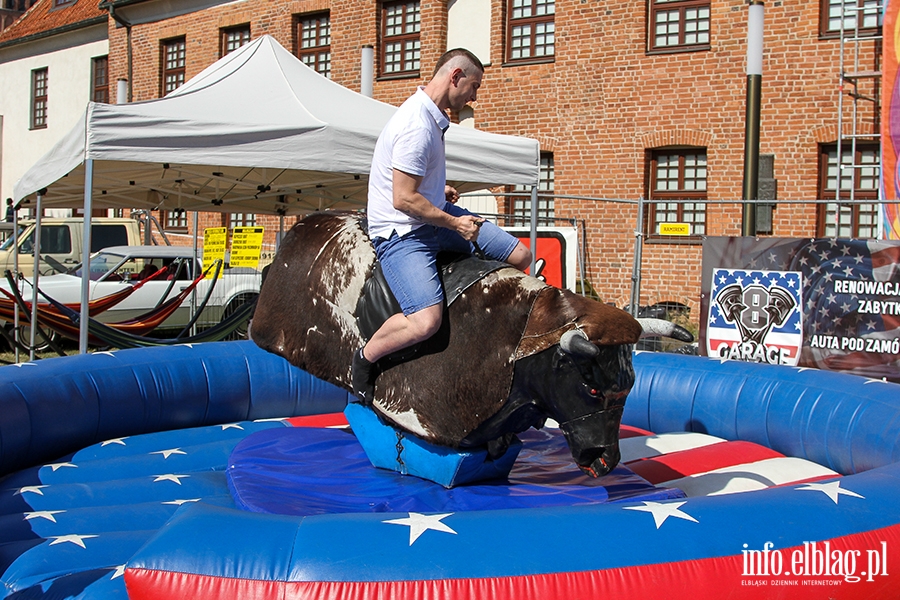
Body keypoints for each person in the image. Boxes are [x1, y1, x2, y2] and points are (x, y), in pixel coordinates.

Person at [351, 48, 532, 403]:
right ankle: (364, 360)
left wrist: (439, 190)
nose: (475, 97)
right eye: (474, 86)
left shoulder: (433, 119)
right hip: (403, 234)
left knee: (521, 255)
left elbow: (415, 186)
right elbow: (402, 199)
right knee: (425, 322)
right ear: (455, 77)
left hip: (433, 215)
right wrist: (455, 223)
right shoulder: (416, 125)